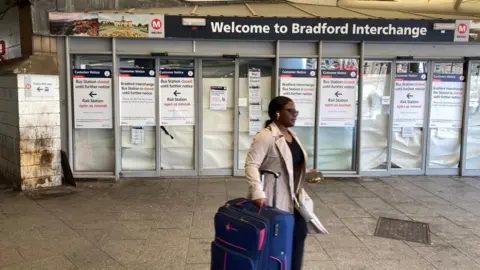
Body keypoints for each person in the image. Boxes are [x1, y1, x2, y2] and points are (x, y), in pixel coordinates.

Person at [244, 96, 318, 270]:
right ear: (277, 113)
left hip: (295, 199)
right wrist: (257, 192)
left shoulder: (292, 135)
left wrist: (305, 174)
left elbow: (289, 164)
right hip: (274, 196)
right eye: (291, 111)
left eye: (296, 111)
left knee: (298, 236)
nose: (295, 114)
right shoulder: (266, 135)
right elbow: (251, 164)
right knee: (277, 244)